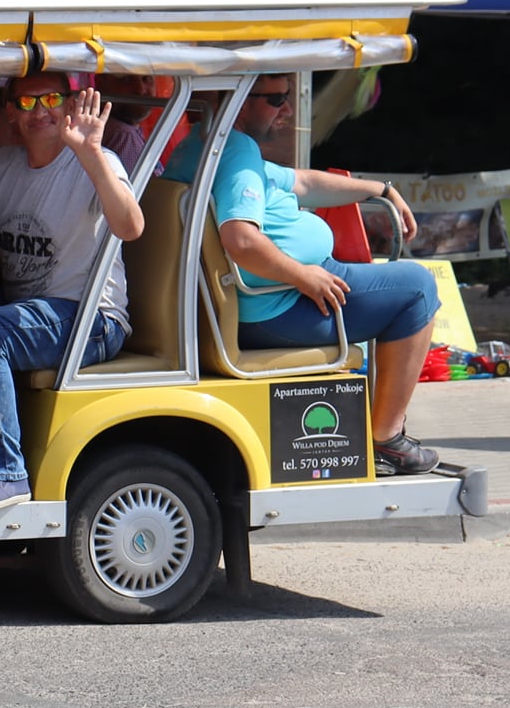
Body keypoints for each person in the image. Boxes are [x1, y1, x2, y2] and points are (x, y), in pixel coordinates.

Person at [164, 73, 441, 475]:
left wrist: (381, 190)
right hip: (279, 306)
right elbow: (240, 239)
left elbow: (303, 182)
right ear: (239, 100)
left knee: (399, 283)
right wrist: (303, 276)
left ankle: (384, 434)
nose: (288, 109)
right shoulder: (236, 150)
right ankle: (386, 439)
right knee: (417, 288)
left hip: (270, 299)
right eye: (276, 99)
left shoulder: (203, 144)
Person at [0, 76, 143, 509]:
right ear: (10, 112)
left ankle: (5, 475)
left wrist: (89, 151)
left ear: (71, 104)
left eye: (52, 98)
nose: (40, 110)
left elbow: (130, 227)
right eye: (27, 101)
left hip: (92, 318)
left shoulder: (99, 158)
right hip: (28, 314)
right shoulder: (2, 164)